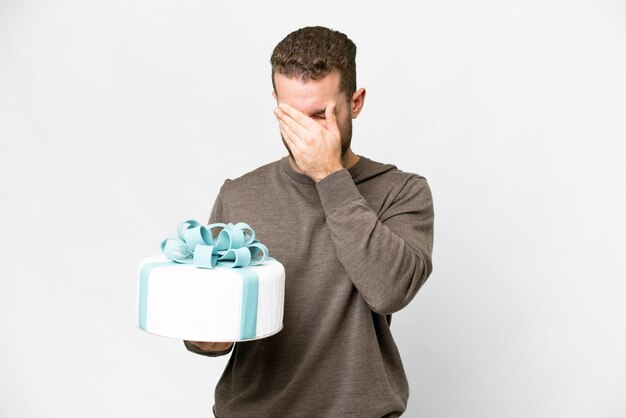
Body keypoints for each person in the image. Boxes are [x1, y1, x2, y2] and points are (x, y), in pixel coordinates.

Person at [184, 26, 434, 418]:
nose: (304, 134)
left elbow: (389, 291)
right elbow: (212, 323)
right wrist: (205, 338)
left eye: (319, 115)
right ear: (275, 103)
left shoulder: (402, 192)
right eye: (291, 116)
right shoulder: (238, 195)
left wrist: (329, 175)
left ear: (355, 103)